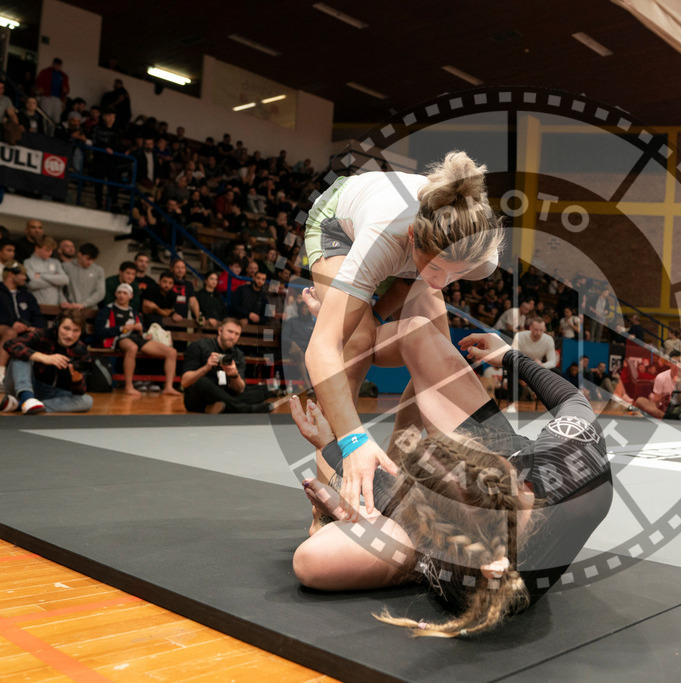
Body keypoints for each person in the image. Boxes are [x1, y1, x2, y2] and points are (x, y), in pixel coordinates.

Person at [290, 324, 611, 638]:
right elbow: (572, 400)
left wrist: (332, 449)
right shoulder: (573, 460)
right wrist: (509, 356)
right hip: (511, 496)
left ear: (434, 528)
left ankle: (363, 516)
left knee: (313, 561)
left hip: (464, 544)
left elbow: (397, 503)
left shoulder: (454, 566)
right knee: (418, 332)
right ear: (503, 464)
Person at [303, 151, 504, 519]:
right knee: (354, 345)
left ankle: (395, 476)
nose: (444, 283)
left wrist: (371, 314)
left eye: (456, 274)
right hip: (338, 225)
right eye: (439, 268)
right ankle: (327, 509)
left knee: (437, 356)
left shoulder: (479, 256)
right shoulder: (386, 234)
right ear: (413, 237)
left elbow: (413, 280)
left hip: (407, 260)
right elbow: (320, 350)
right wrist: (353, 440)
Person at [95, 283, 181, 396]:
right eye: (119, 292)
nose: (121, 295)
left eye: (125, 293)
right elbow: (100, 331)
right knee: (132, 348)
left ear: (130, 296)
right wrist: (121, 328)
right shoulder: (107, 310)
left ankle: (168, 387)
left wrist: (142, 332)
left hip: (137, 338)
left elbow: (143, 331)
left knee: (171, 352)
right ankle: (128, 386)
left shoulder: (134, 312)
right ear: (115, 294)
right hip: (119, 338)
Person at [2, 309, 93, 414]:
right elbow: (10, 344)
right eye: (66, 328)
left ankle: (21, 405)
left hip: (51, 392)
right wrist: (42, 357)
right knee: (21, 355)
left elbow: (80, 392)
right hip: (24, 385)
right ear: (57, 326)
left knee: (87, 401)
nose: (70, 335)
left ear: (81, 332)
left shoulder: (81, 350)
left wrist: (76, 380)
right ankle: (27, 398)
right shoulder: (43, 334)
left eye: (76, 331)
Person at [180, 317, 271, 414]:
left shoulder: (238, 354)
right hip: (200, 397)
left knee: (264, 390)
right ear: (220, 331)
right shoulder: (199, 346)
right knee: (203, 382)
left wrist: (235, 375)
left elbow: (240, 389)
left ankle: (220, 407)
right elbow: (185, 382)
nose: (233, 337)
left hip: (224, 393)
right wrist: (206, 368)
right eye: (230, 332)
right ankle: (244, 408)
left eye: (237, 334)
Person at [0, 262, 45, 388]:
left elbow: (38, 316)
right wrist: (12, 323)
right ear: (11, 274)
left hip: (24, 330)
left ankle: (37, 382)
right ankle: (0, 373)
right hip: (4, 327)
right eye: (22, 274)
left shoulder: (27, 295)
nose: (25, 278)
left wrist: (34, 327)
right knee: (10, 332)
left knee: (39, 335)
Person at [632, 351, 681, 420]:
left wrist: (678, 385)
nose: (677, 365)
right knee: (640, 400)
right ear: (669, 363)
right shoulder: (660, 377)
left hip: (679, 408)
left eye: (679, 362)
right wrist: (661, 398)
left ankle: (669, 416)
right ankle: (668, 416)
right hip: (663, 408)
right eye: (674, 362)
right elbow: (656, 400)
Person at [24, 236, 69, 307]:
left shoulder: (56, 262)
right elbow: (31, 284)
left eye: (52, 250)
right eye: (47, 250)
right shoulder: (28, 262)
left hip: (55, 305)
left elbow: (65, 280)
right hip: (36, 304)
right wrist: (56, 281)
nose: (50, 253)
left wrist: (41, 276)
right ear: (37, 248)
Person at [62, 242, 105, 309]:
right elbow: (60, 289)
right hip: (70, 307)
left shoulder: (98, 270)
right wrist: (64, 302)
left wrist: (84, 304)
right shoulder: (66, 267)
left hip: (91, 309)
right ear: (79, 255)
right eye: (88, 259)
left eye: (93, 260)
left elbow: (100, 292)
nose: (90, 262)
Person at [35, 58, 69, 123]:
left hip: (58, 99)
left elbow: (66, 90)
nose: (58, 66)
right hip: (47, 97)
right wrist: (39, 89)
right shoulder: (45, 72)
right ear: (53, 64)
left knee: (56, 118)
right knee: (46, 116)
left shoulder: (63, 76)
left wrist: (64, 100)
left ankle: (53, 130)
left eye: (59, 65)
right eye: (56, 65)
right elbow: (38, 82)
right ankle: (44, 129)